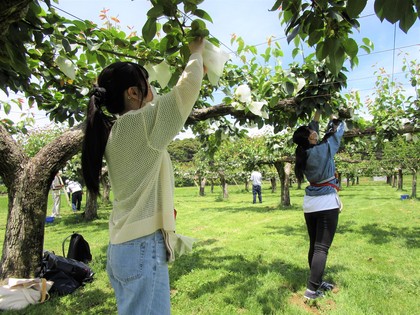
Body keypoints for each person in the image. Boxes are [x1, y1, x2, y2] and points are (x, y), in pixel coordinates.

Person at [81, 38, 205, 314]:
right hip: (140, 248)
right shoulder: (137, 125)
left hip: (122, 247)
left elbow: (165, 104)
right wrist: (196, 53)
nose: (153, 90)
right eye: (147, 84)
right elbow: (184, 93)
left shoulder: (116, 131)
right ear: (134, 93)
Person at [292, 109, 345, 300]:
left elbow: (314, 130)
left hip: (310, 204)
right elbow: (338, 132)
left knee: (315, 246)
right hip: (326, 203)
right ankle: (311, 291)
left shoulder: (304, 153)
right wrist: (333, 116)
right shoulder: (323, 149)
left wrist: (317, 112)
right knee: (322, 248)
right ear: (310, 137)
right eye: (310, 131)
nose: (313, 131)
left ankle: (317, 281)